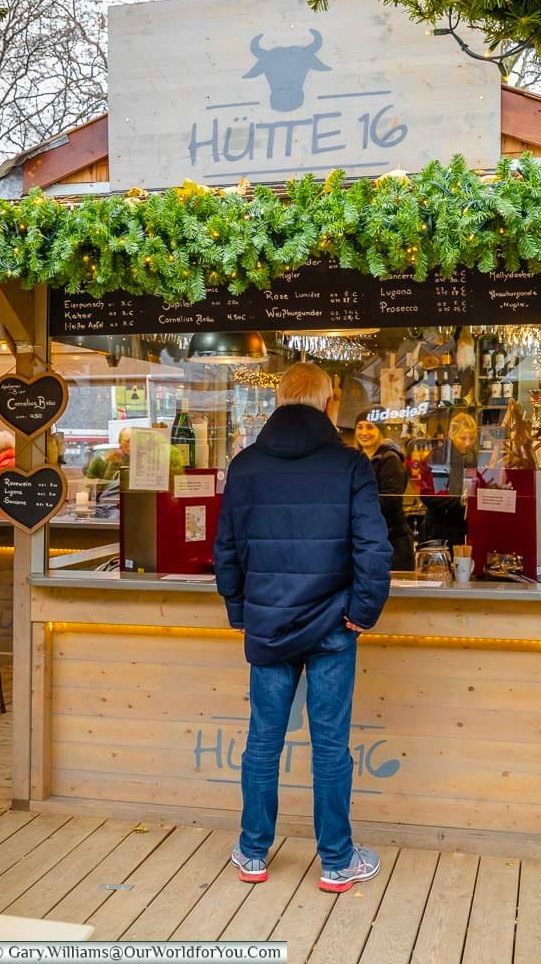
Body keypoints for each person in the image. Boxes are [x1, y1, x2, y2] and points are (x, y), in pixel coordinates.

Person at [214, 362, 392, 893]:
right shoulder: (350, 464)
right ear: (328, 404)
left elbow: (226, 550)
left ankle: (251, 852)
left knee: (263, 742)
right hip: (334, 626)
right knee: (331, 746)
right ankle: (337, 862)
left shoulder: (244, 466)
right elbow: (374, 549)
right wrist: (362, 611)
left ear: (279, 401)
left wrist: (241, 611)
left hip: (268, 625)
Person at [354, 411, 415, 570]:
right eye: (360, 427)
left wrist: (356, 508)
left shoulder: (390, 459)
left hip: (393, 541)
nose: (364, 432)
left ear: (380, 430)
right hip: (369, 538)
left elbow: (391, 499)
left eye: (370, 427)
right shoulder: (358, 459)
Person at [420, 412, 478, 546]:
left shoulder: (471, 457)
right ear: (451, 435)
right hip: (439, 528)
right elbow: (431, 496)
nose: (468, 443)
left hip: (461, 525)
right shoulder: (439, 457)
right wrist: (462, 502)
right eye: (463, 438)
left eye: (472, 438)